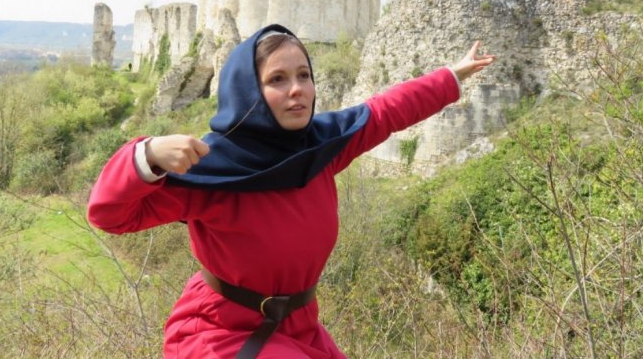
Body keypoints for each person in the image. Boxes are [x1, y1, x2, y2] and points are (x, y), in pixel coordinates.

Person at [87, 23, 495, 359]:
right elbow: (109, 214)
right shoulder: (211, 169)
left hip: (300, 328)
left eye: (304, 75)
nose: (297, 89)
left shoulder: (322, 147)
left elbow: (387, 110)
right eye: (277, 80)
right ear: (249, 94)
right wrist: (148, 155)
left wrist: (450, 77)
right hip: (220, 333)